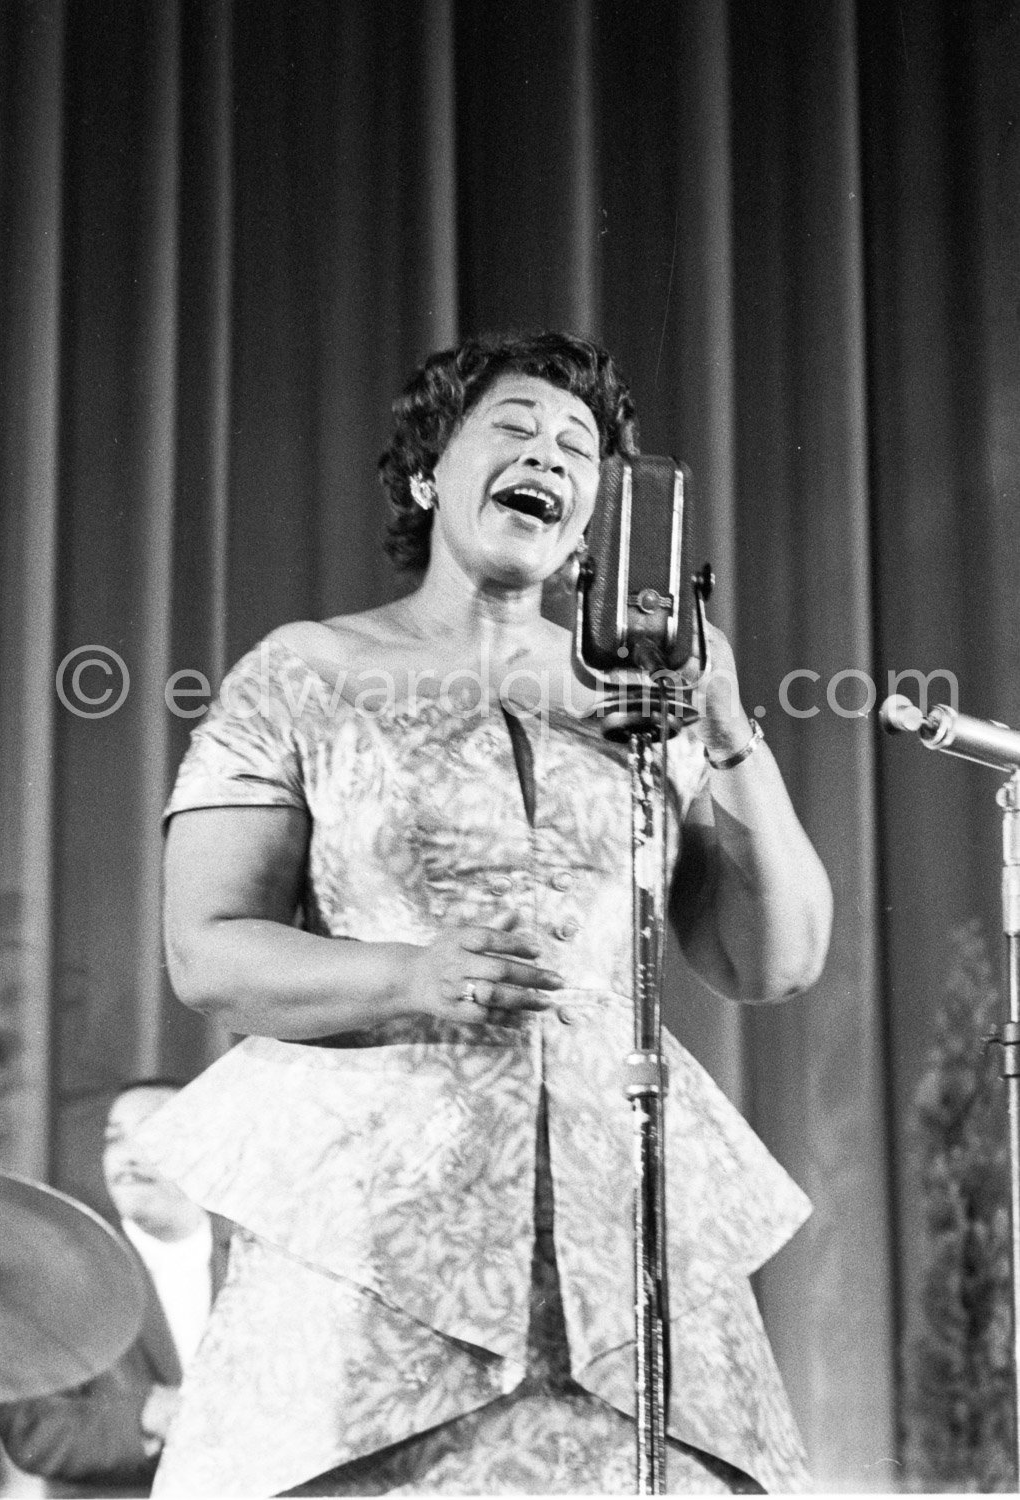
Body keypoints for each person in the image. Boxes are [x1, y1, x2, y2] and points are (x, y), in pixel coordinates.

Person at [134, 331, 833, 1497]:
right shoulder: (306, 670)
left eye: (578, 450)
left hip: (619, 1241)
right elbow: (206, 952)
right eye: (512, 430)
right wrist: (410, 977)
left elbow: (778, 960)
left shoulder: (644, 705)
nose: (548, 456)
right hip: (379, 1232)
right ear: (426, 476)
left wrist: (721, 717)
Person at [0, 1082, 230, 1498]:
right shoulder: (62, 1275)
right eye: (114, 1138)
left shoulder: (264, 1263)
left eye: (152, 1132)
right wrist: (148, 1414)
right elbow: (33, 1434)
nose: (127, 1154)